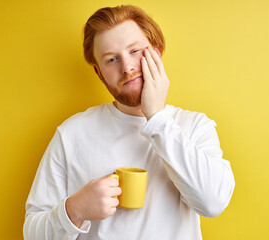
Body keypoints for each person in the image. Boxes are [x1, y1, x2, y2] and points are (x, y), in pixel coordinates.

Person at [23, 5, 235, 240]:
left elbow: (212, 203)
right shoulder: (71, 134)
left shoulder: (195, 126)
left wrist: (156, 117)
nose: (127, 68)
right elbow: (32, 233)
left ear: (156, 52)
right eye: (112, 59)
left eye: (135, 51)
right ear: (99, 73)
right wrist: (75, 209)